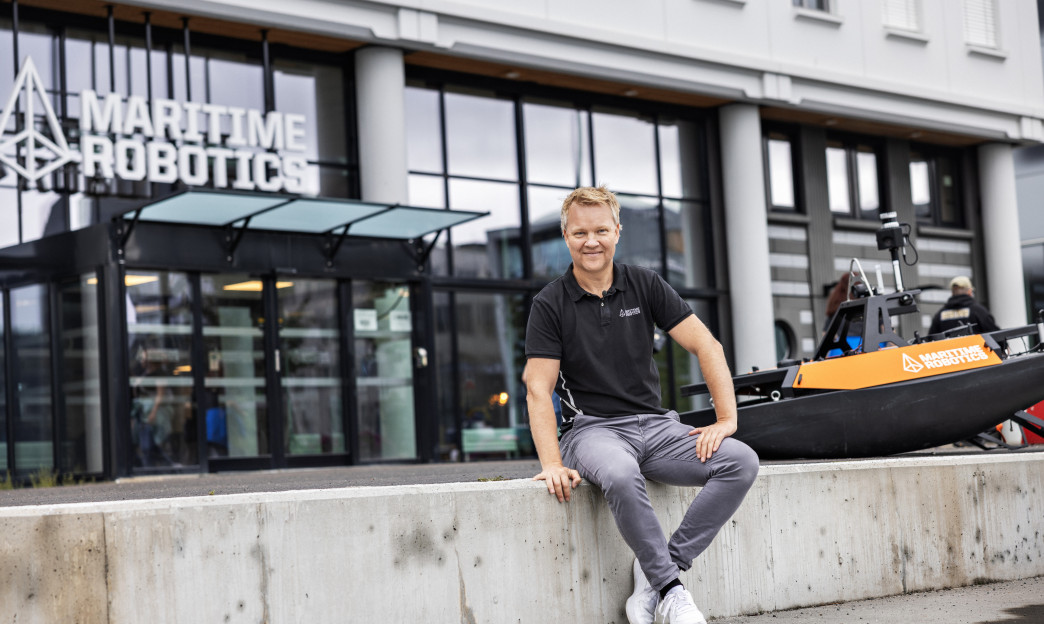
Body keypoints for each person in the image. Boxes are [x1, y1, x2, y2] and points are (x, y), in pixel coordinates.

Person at [524, 186, 759, 624]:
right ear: (565, 235)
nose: (590, 241)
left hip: (656, 427)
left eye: (600, 230)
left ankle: (657, 576)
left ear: (617, 232)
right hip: (591, 431)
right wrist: (552, 463)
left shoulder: (644, 284)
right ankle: (672, 592)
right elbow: (539, 389)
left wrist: (727, 419)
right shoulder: (549, 303)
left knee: (740, 462)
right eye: (579, 233)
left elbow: (707, 345)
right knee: (619, 472)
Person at [928, 275, 999, 336]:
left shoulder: (940, 314)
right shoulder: (978, 311)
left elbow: (931, 339)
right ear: (969, 291)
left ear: (952, 293)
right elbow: (994, 333)